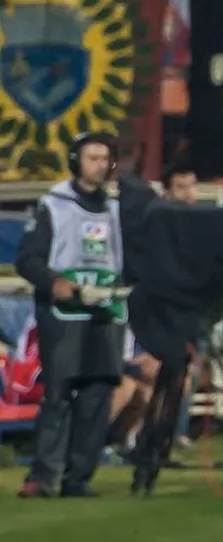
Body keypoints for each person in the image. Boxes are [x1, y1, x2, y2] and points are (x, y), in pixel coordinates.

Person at [14, 132, 128, 498]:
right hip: (63, 313)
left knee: (98, 393)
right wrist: (53, 282)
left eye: (104, 159)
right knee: (59, 392)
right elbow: (26, 259)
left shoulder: (118, 209)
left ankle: (78, 478)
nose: (99, 165)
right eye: (92, 158)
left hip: (106, 310)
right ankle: (43, 476)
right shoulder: (53, 205)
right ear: (76, 162)